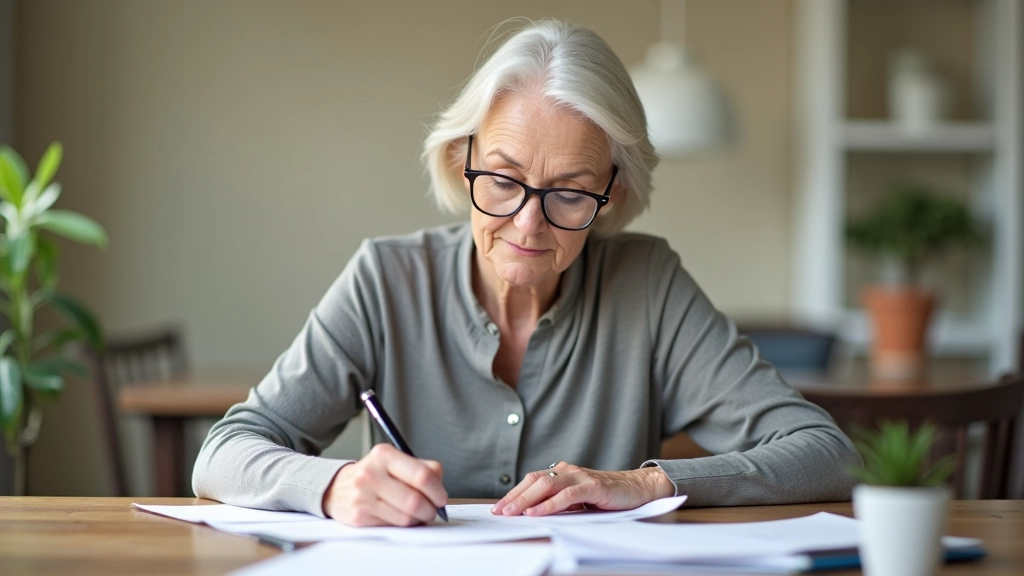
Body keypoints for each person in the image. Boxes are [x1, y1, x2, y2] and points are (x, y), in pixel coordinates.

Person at [192, 20, 859, 528]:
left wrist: (650, 484)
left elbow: (827, 452)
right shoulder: (385, 278)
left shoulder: (648, 285)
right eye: (504, 180)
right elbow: (223, 453)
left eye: (569, 192)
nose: (528, 225)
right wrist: (334, 487)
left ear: (614, 194)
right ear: (462, 162)